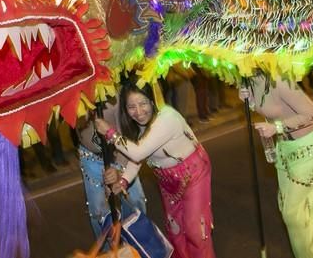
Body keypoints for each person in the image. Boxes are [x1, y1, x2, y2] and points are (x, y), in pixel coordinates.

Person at [96, 81, 216, 258]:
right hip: (167, 181)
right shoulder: (139, 127)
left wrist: (110, 133)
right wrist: (123, 180)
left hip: (193, 174)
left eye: (143, 103)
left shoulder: (167, 118)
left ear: (153, 100)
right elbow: (137, 159)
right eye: (131, 107)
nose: (138, 112)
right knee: (175, 231)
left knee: (195, 231)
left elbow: (138, 152)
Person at [239, 73, 313, 258]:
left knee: (292, 214)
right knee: (293, 210)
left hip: (307, 147)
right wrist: (249, 101)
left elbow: (312, 114)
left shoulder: (280, 79)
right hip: (284, 149)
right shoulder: (248, 79)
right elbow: (270, 108)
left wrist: (276, 127)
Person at [75, 94, 146, 237]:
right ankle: (108, 251)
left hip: (122, 153)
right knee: (98, 211)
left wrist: (119, 170)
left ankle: (139, 243)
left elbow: (129, 136)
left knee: (135, 202)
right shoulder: (73, 97)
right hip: (90, 157)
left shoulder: (116, 97)